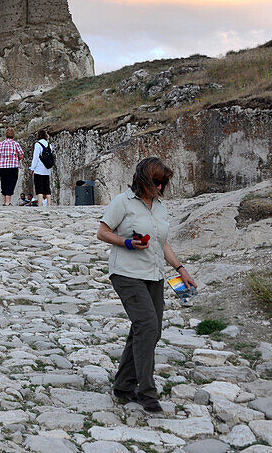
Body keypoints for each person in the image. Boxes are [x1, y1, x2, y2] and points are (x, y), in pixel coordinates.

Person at [96, 157, 196, 413]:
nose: (160, 188)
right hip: (127, 273)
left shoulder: (161, 207)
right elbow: (103, 232)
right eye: (156, 182)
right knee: (147, 326)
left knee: (149, 329)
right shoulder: (123, 202)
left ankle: (123, 385)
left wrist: (180, 269)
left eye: (163, 183)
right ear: (143, 179)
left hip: (154, 275)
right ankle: (147, 392)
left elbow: (162, 243)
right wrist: (127, 243)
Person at [0, 128, 24, 206]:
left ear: (6, 134)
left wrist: (3, 158)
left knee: (4, 183)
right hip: (13, 166)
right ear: (13, 135)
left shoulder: (0, 144)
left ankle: (4, 201)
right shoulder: (16, 144)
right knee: (11, 183)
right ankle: (8, 202)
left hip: (3, 166)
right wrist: (15, 158)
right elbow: (21, 155)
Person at [30, 129, 53, 207]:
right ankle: (49, 204)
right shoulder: (49, 145)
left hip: (39, 169)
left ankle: (40, 204)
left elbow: (35, 157)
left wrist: (32, 168)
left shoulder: (38, 144)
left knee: (39, 187)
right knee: (47, 187)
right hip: (47, 169)